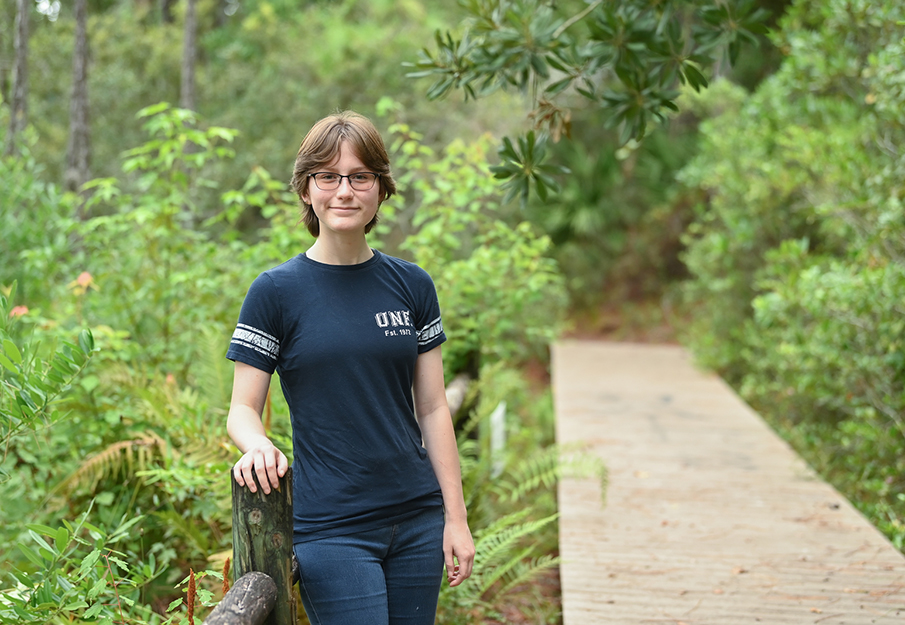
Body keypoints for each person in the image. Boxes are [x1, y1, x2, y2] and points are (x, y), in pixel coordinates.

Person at [225, 110, 475, 625]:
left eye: (360, 176)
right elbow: (241, 410)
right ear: (306, 189)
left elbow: (431, 408)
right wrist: (258, 445)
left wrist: (456, 518)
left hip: (418, 519)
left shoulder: (412, 286)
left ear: (381, 190)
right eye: (328, 176)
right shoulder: (275, 292)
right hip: (333, 528)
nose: (344, 191)